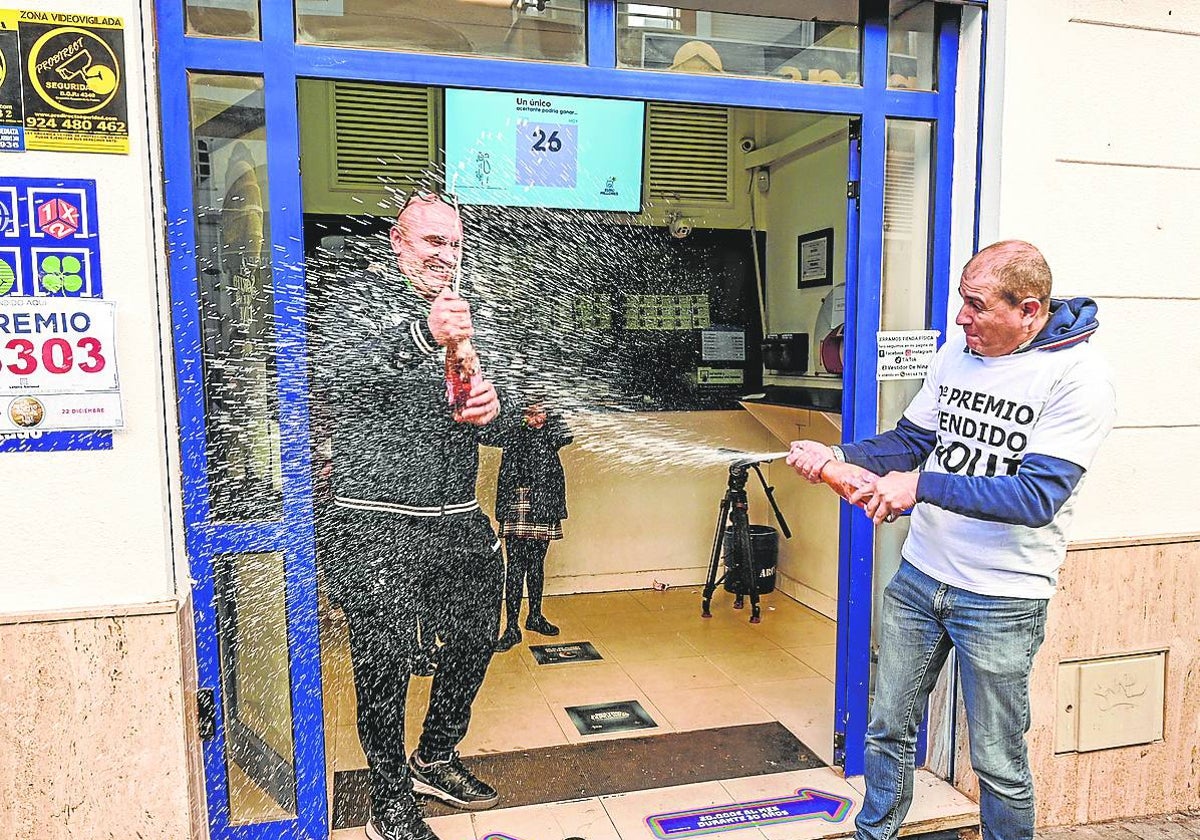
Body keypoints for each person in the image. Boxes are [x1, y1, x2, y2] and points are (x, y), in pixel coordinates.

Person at [787, 241, 1115, 840]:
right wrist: (836, 455)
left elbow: (1035, 499)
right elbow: (911, 442)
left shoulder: (1078, 379)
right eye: (960, 300)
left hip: (1002, 597)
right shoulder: (958, 355)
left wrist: (920, 488)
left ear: (1029, 310)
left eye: (975, 304)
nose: (960, 317)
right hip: (921, 577)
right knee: (887, 727)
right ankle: (875, 831)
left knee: (997, 760)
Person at [318, 191, 513, 840]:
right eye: (433, 243)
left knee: (480, 630)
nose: (446, 257)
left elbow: (496, 408)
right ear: (399, 242)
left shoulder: (463, 311)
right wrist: (422, 333)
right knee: (386, 662)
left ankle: (434, 754)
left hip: (456, 515)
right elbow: (346, 376)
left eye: (455, 245)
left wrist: (493, 407)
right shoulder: (361, 300)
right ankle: (389, 801)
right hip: (375, 519)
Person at [493, 401, 573, 652]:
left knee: (537, 564)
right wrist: (520, 419)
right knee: (515, 566)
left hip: (544, 500)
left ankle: (535, 617)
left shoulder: (552, 430)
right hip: (516, 499)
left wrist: (545, 418)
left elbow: (565, 435)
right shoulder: (513, 430)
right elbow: (494, 435)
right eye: (530, 413)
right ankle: (511, 628)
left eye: (541, 412)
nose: (536, 418)